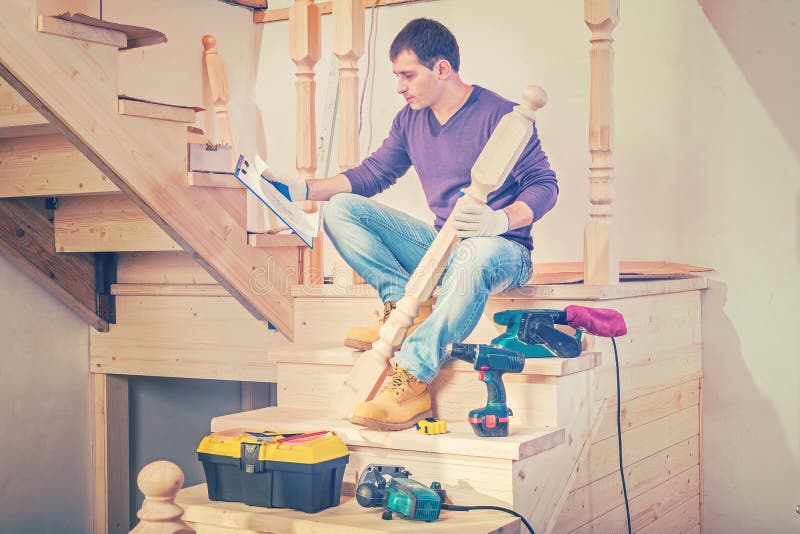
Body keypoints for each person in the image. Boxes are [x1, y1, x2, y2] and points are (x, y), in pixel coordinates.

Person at [263, 18, 558, 431]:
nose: (400, 87)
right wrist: (302, 189)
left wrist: (499, 220)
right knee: (342, 208)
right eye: (397, 76)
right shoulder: (410, 120)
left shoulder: (502, 116)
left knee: (474, 251)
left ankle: (414, 377)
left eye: (407, 75)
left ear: (441, 69)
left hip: (502, 250)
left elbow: (545, 185)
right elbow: (374, 173)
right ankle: (404, 308)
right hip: (444, 245)